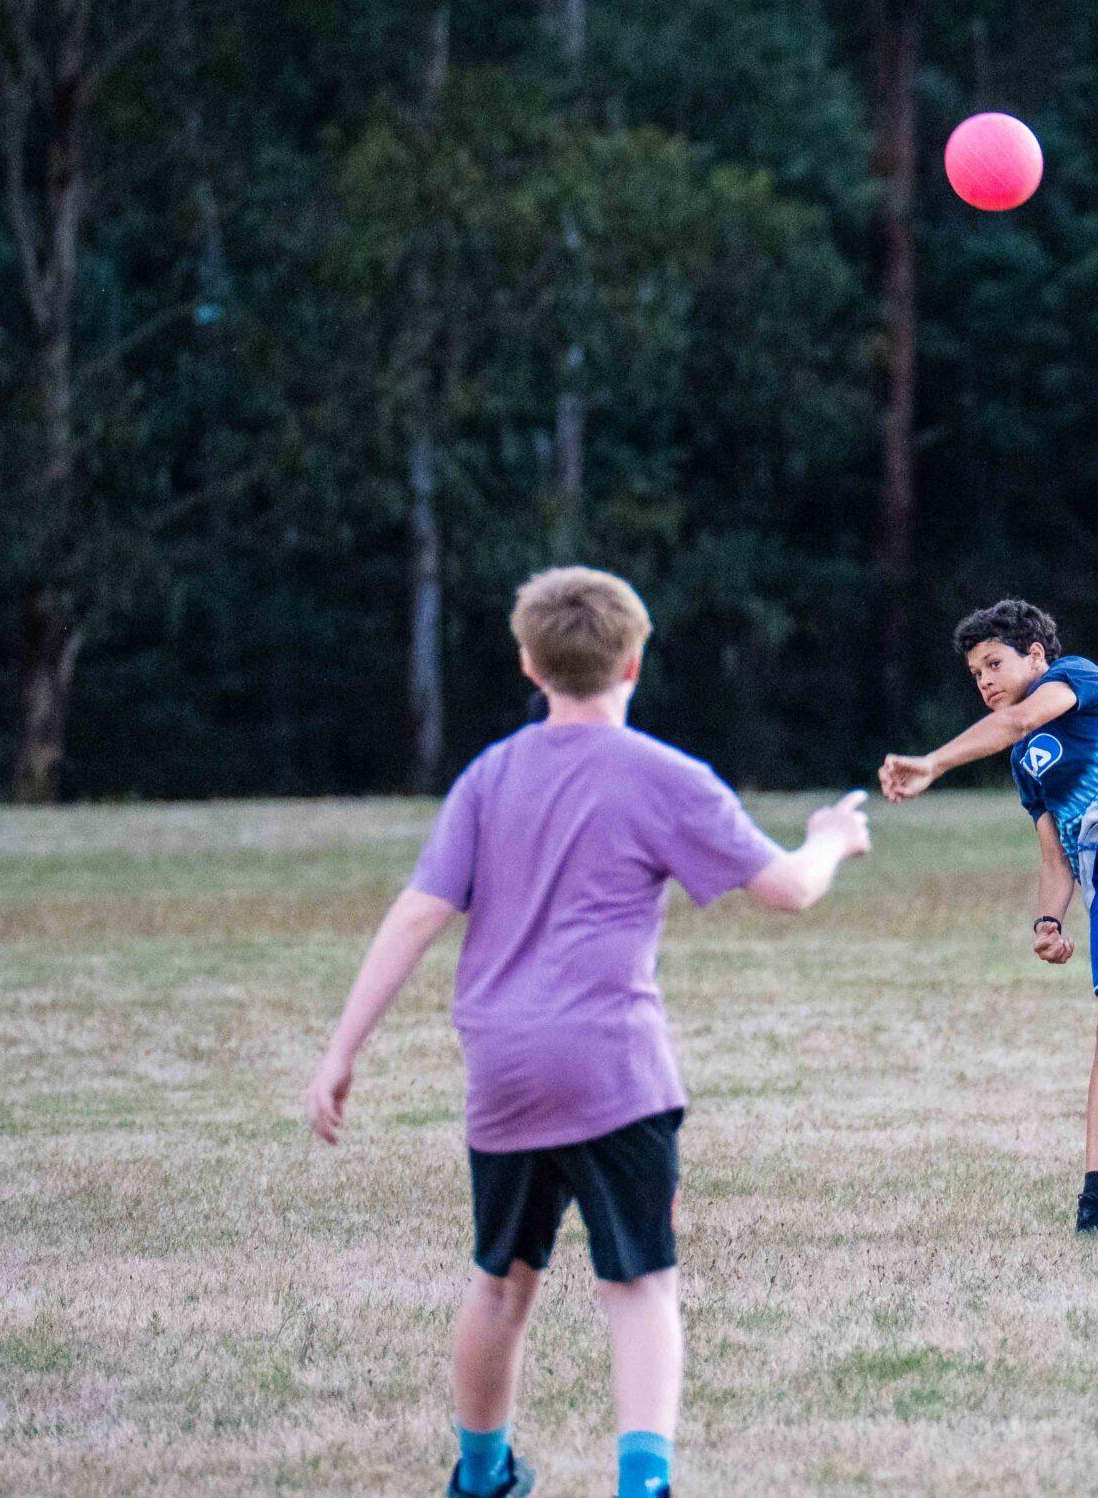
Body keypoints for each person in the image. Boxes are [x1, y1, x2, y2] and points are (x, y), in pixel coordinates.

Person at [304, 567, 872, 1498]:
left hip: (505, 1066)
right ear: (635, 662)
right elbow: (789, 889)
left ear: (530, 664)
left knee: (500, 1281)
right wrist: (831, 838)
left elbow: (417, 913)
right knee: (640, 1284)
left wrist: (341, 1050)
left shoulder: (488, 777)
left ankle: (481, 1475)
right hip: (615, 1070)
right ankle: (642, 1485)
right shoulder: (666, 776)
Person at [878, 599, 1098, 1238]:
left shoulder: (1076, 679)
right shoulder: (1026, 763)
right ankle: (1095, 1201)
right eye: (976, 674)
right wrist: (1048, 921)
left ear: (1036, 656)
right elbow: (1055, 852)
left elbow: (1019, 719)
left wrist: (932, 763)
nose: (985, 681)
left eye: (995, 663)